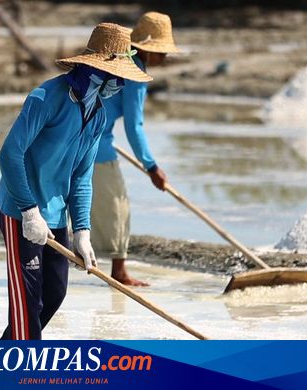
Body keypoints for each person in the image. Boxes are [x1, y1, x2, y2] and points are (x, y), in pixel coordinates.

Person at [0, 23, 152, 340]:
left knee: (54, 294)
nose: (120, 85)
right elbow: (9, 154)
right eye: (118, 77)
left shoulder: (97, 114)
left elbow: (82, 175)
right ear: (98, 70)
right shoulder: (47, 97)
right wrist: (28, 210)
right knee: (27, 305)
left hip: (54, 216)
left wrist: (82, 231)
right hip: (20, 212)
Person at [91, 12, 181, 287]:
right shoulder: (135, 73)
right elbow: (134, 126)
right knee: (118, 206)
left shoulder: (117, 58)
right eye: (160, 52)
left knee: (79, 205)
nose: (163, 59)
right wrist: (151, 166)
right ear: (144, 48)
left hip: (83, 139)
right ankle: (118, 270)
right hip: (95, 147)